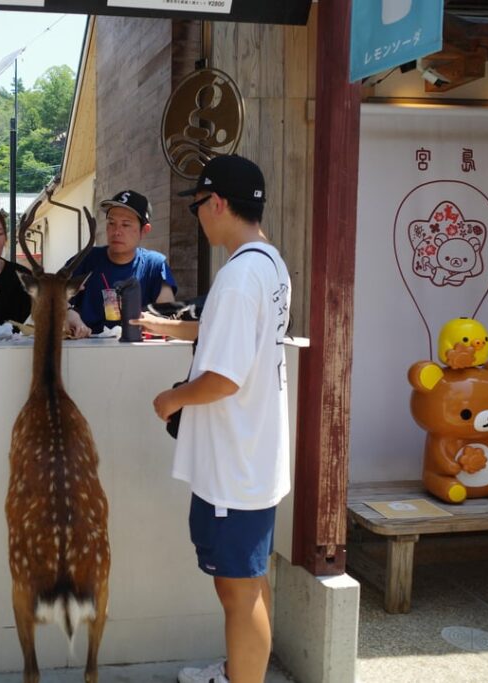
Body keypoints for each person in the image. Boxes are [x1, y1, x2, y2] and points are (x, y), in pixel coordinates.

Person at [135, 155, 291, 683]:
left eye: (199, 204)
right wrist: (172, 330)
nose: (199, 215)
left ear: (218, 203)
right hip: (253, 453)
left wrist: (172, 400)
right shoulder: (269, 264)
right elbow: (230, 338)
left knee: (237, 590)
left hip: (233, 463)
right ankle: (235, 672)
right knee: (249, 578)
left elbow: (225, 378)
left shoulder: (237, 276)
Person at [64, 189, 177, 338]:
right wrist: (67, 312)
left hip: (136, 350)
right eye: (111, 223)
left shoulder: (155, 265)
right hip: (88, 348)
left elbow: (167, 314)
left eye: (125, 225)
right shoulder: (85, 259)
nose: (116, 231)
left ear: (144, 230)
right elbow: (47, 298)